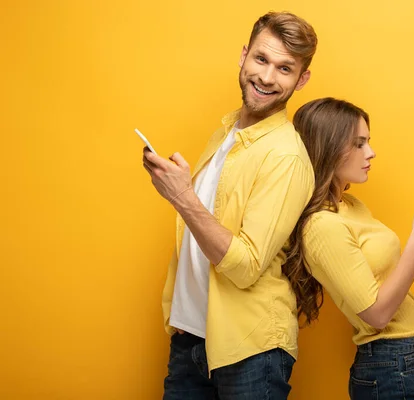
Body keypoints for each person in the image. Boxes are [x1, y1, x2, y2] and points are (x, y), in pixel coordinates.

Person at [142, 11, 318, 399]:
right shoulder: (227, 132)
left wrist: (182, 196)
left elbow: (245, 267)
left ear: (301, 79)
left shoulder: (285, 156)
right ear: (243, 56)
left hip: (249, 351)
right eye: (261, 59)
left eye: (285, 68)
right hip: (191, 340)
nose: (268, 78)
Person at [284, 98, 414, 400]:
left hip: (411, 358)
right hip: (390, 363)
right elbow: (376, 315)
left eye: (368, 142)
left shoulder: (351, 206)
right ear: (328, 148)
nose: (371, 153)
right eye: (358, 144)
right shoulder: (321, 226)